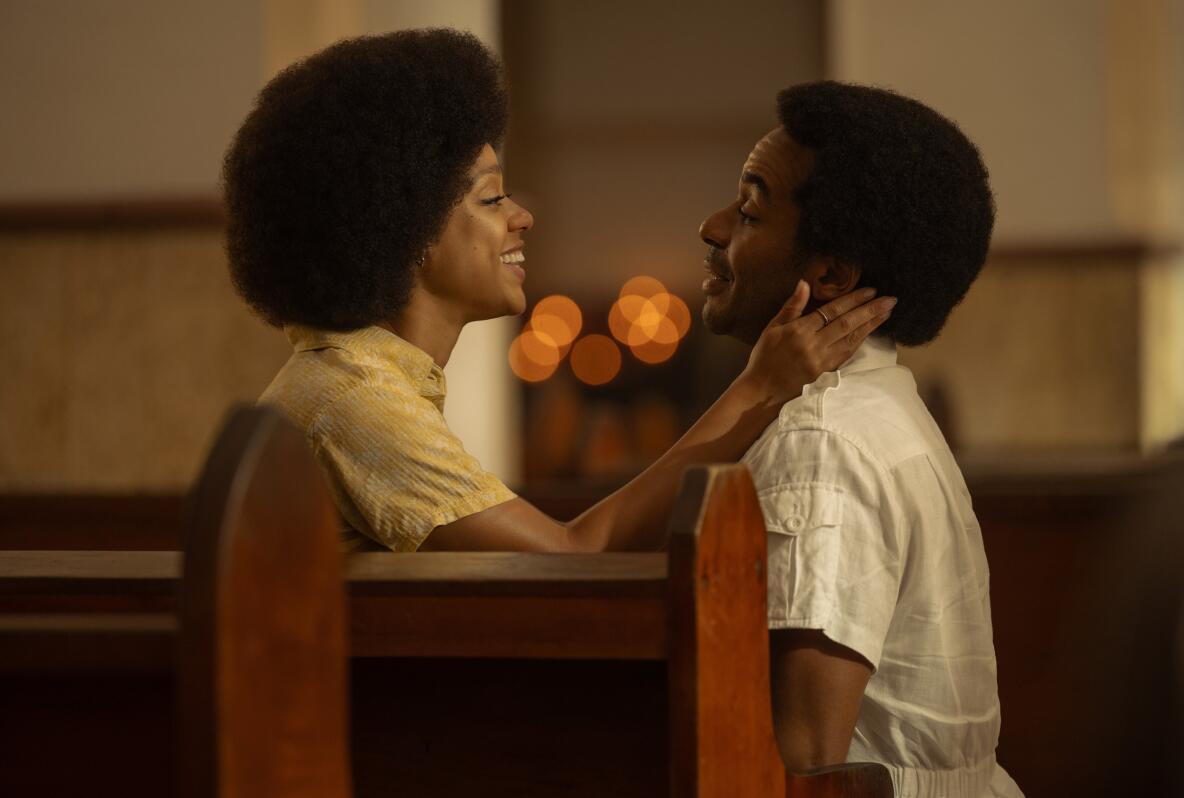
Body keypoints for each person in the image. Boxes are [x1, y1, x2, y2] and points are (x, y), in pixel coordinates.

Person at [223, 29, 895, 554]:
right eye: (492, 198)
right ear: (407, 231)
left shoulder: (359, 377)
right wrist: (759, 387)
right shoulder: (355, 397)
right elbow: (570, 555)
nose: (523, 217)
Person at [698, 82, 1023, 796]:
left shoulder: (824, 439)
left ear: (832, 274)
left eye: (751, 211)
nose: (714, 227)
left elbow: (805, 757)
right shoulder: (878, 401)